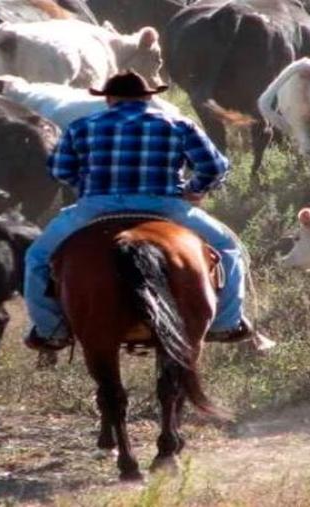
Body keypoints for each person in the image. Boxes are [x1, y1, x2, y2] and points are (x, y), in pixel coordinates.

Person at [23, 71, 260, 351]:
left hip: (96, 207)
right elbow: (215, 167)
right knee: (228, 248)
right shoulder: (179, 123)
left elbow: (60, 170)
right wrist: (195, 189)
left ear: (109, 99)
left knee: (37, 257)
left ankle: (51, 330)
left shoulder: (81, 126)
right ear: (148, 97)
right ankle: (226, 323)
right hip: (165, 206)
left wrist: (86, 185)